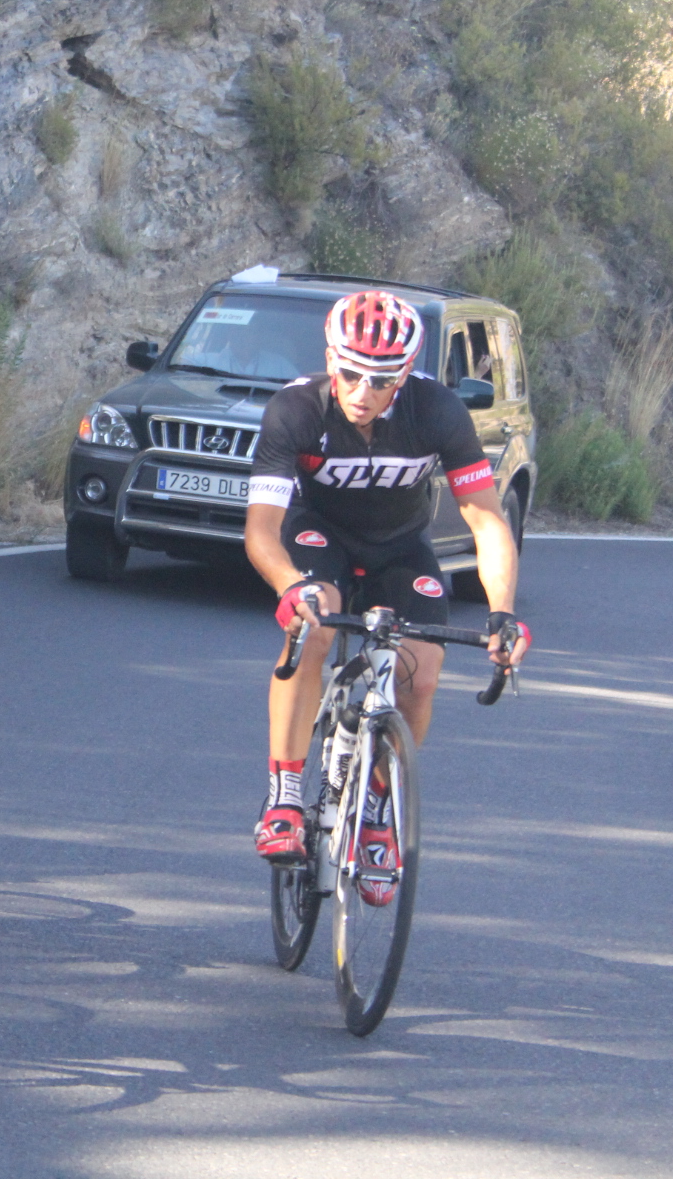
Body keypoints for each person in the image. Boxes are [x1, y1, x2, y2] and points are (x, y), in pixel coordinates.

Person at [244, 290, 531, 897]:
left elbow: (485, 518)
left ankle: (377, 808)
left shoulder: (437, 411)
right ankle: (285, 796)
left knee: (422, 675)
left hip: (402, 547)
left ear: (405, 372)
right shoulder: (296, 411)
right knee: (314, 627)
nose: (361, 390)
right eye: (348, 371)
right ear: (330, 357)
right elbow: (262, 530)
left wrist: (504, 613)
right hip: (319, 537)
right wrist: (291, 587)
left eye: (380, 378)